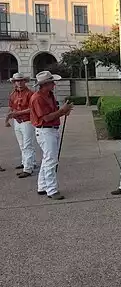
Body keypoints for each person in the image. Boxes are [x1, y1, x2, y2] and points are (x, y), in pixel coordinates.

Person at [29, 71, 73, 200]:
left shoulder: (49, 95)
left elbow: (53, 113)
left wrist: (63, 112)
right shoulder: (37, 98)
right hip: (45, 130)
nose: (54, 84)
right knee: (51, 160)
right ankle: (51, 189)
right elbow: (46, 117)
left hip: (50, 130)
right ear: (45, 84)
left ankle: (42, 186)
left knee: (47, 159)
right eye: (51, 82)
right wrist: (61, 111)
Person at [5, 72, 37, 178]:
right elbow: (11, 106)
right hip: (17, 121)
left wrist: (17, 113)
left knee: (28, 144)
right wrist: (8, 117)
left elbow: (32, 109)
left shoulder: (30, 93)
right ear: (14, 82)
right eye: (16, 81)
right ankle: (27, 162)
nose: (18, 83)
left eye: (21, 80)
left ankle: (28, 168)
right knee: (22, 144)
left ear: (24, 81)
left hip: (27, 121)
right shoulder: (13, 94)